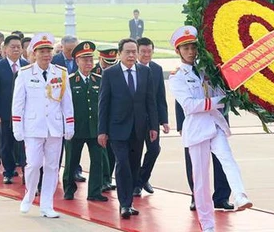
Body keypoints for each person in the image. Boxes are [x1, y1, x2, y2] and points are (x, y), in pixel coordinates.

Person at [168, 26, 252, 232]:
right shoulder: (177, 76)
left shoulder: (207, 70)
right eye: (185, 48)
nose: (190, 51)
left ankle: (240, 195)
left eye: (193, 47)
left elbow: (221, 91)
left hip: (214, 125)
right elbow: (189, 105)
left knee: (227, 158)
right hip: (196, 130)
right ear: (178, 51)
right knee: (201, 181)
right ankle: (207, 225)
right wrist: (217, 101)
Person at [12, 32, 75, 218]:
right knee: (33, 164)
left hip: (54, 127)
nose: (46, 54)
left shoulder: (61, 73)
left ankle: (47, 204)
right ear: (34, 53)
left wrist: (69, 125)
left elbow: (66, 102)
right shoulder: (24, 74)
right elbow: (18, 103)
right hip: (33, 126)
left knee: (52, 167)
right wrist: (18, 127)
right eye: (42, 51)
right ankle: (30, 194)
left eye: (48, 51)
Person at [97, 38, 158, 219]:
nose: (131, 55)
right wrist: (102, 130)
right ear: (120, 54)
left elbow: (150, 102)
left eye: (134, 52)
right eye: (128, 52)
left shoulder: (145, 73)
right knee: (122, 164)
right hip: (117, 129)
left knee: (133, 166)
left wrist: (153, 126)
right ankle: (124, 204)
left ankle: (129, 203)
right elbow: (103, 104)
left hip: (139, 129)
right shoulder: (110, 74)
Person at [63, 41, 107, 202]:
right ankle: (69, 189)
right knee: (71, 161)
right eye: (84, 60)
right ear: (77, 61)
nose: (88, 63)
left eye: (90, 60)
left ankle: (95, 191)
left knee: (97, 161)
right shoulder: (69, 80)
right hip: (76, 128)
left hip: (95, 128)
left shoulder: (99, 80)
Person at [175, 101, 233, 211]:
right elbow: (180, 99)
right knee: (194, 163)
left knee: (222, 159)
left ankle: (222, 197)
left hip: (217, 121)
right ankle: (197, 197)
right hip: (194, 123)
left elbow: (223, 95)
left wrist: (225, 122)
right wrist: (180, 124)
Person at [0, 35, 29, 183]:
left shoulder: (27, 65)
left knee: (25, 144)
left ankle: (26, 171)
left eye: (19, 46)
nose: (17, 49)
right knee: (6, 143)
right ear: (5, 49)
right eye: (13, 46)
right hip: (6, 113)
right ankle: (9, 171)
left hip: (25, 113)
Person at [133, 37, 170, 197]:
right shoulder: (130, 69)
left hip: (152, 119)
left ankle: (142, 178)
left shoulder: (156, 69)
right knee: (135, 152)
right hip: (134, 120)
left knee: (154, 149)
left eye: (149, 51)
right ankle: (136, 182)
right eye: (143, 52)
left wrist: (164, 120)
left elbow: (160, 97)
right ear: (137, 52)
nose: (146, 55)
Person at [51, 35, 84, 182]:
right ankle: (54, 170)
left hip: (76, 109)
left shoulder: (81, 60)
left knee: (75, 144)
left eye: (74, 49)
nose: (72, 52)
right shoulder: (54, 61)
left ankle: (75, 170)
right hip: (58, 109)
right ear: (62, 47)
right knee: (57, 146)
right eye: (69, 50)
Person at [91, 45, 119, 192]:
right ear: (100, 59)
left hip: (112, 118)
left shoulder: (115, 73)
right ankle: (100, 180)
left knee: (112, 152)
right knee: (100, 154)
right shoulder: (93, 72)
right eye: (107, 62)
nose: (109, 66)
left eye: (112, 62)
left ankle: (107, 179)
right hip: (97, 119)